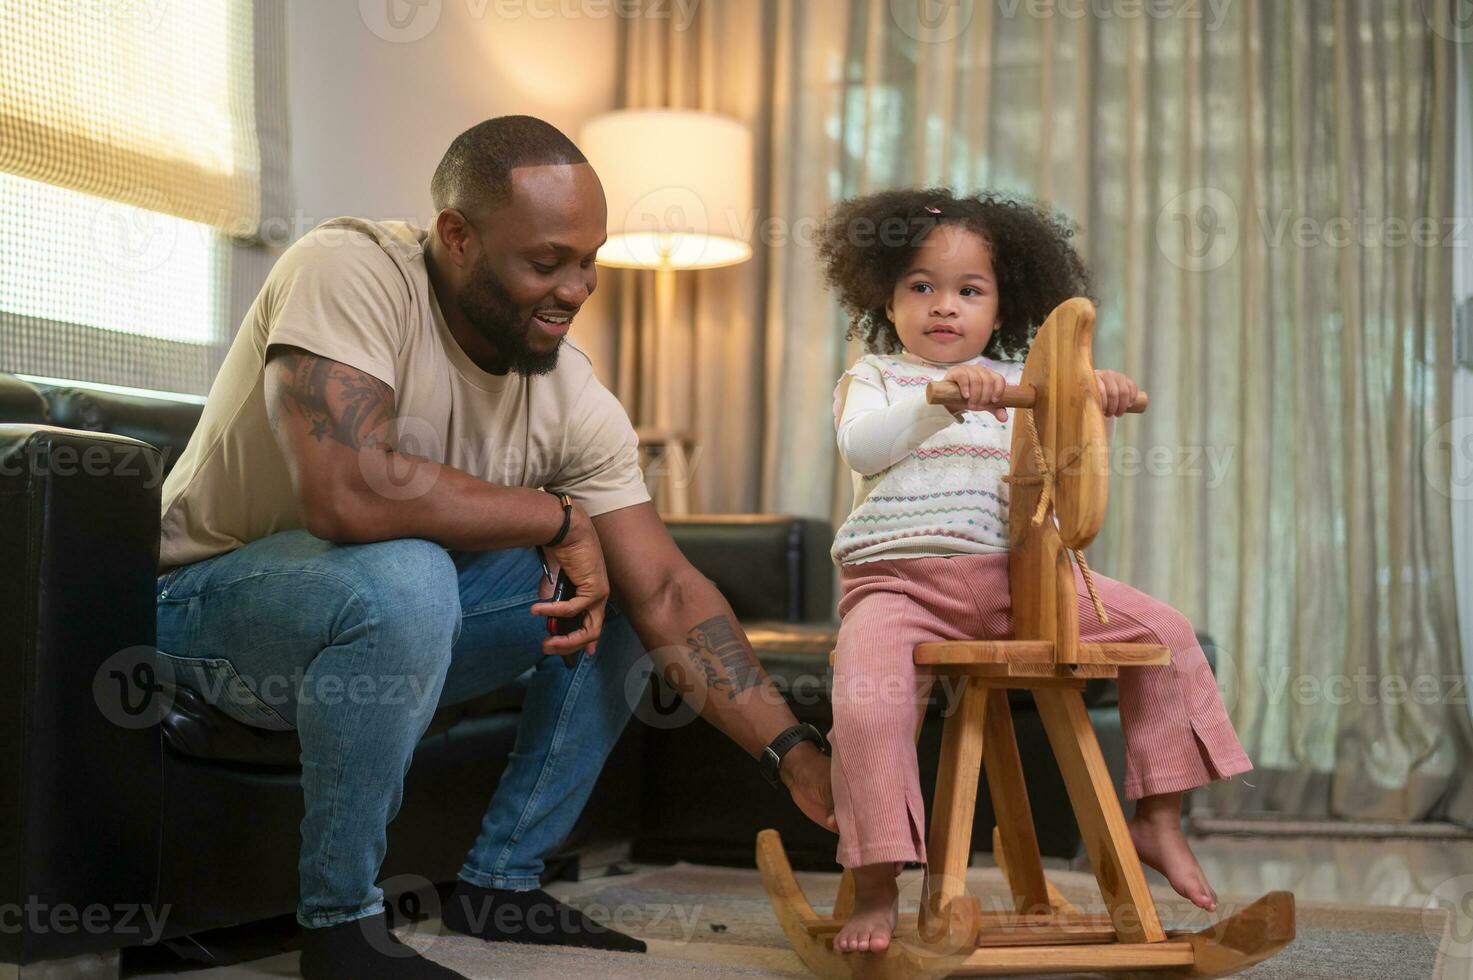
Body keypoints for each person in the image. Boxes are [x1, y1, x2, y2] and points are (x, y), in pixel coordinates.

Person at [155, 115, 835, 980]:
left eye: (588, 260)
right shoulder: (348, 267)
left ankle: (503, 881)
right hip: (200, 612)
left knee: (622, 587)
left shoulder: (572, 394)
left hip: (381, 627)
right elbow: (347, 490)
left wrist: (796, 755)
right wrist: (553, 517)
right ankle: (341, 929)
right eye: (545, 262)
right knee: (406, 574)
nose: (577, 288)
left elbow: (665, 589)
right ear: (457, 237)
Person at [818, 188, 1253, 953]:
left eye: (968, 291)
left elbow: (1068, 449)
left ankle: (1156, 820)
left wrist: (1095, 393)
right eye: (920, 286)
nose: (943, 306)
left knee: (1165, 632)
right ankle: (877, 883)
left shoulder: (1025, 380)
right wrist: (941, 402)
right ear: (885, 301)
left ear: (1000, 306)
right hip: (896, 587)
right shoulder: (877, 379)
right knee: (866, 702)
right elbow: (861, 448)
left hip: (1020, 585)